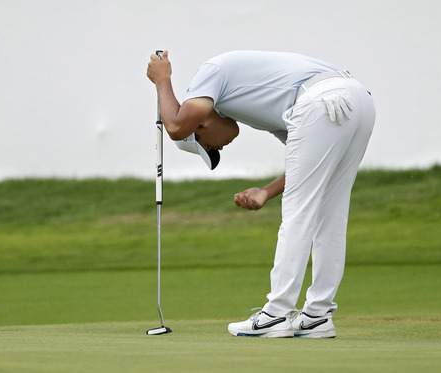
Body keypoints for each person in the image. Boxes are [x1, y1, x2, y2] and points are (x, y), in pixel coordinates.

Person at [147, 50, 375, 338]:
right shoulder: (255, 109)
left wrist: (162, 80)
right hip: (357, 99)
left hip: (321, 100)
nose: (220, 148)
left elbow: (177, 127)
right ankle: (317, 316)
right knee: (330, 214)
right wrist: (267, 192)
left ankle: (275, 315)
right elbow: (306, 169)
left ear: (201, 124)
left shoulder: (209, 74)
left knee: (299, 214)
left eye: (210, 148)